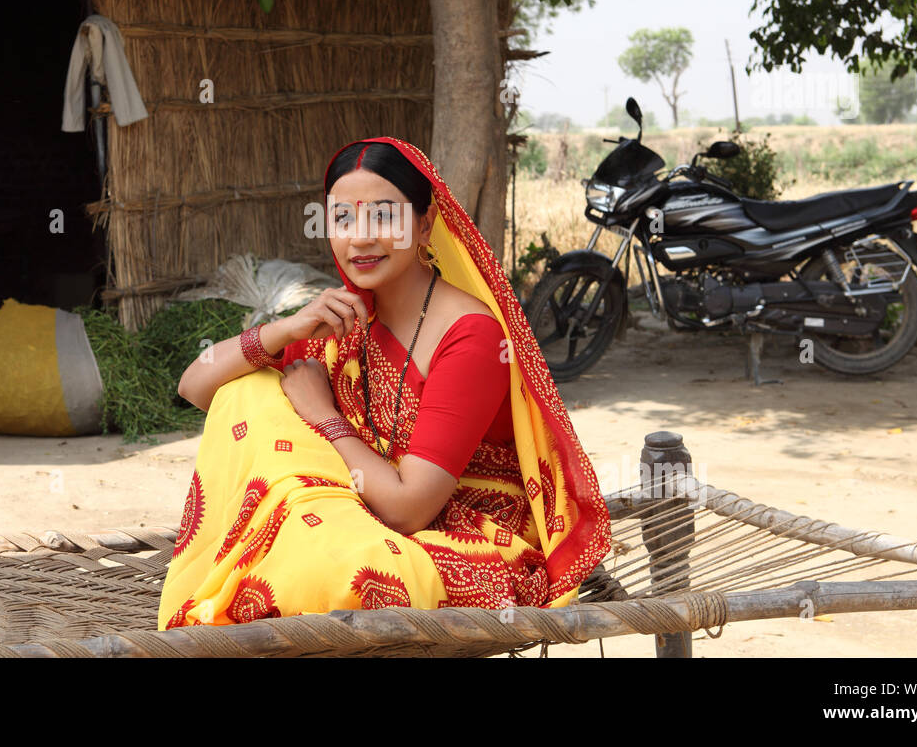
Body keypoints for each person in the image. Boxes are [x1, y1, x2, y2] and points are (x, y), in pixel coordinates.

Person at [158, 137, 610, 628]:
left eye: (383, 217)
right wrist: (285, 328)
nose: (361, 239)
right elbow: (196, 386)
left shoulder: (471, 336)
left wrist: (325, 418)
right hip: (358, 519)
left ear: (425, 222)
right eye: (343, 219)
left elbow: (408, 509)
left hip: (461, 538)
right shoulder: (340, 320)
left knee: (337, 572)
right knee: (248, 391)